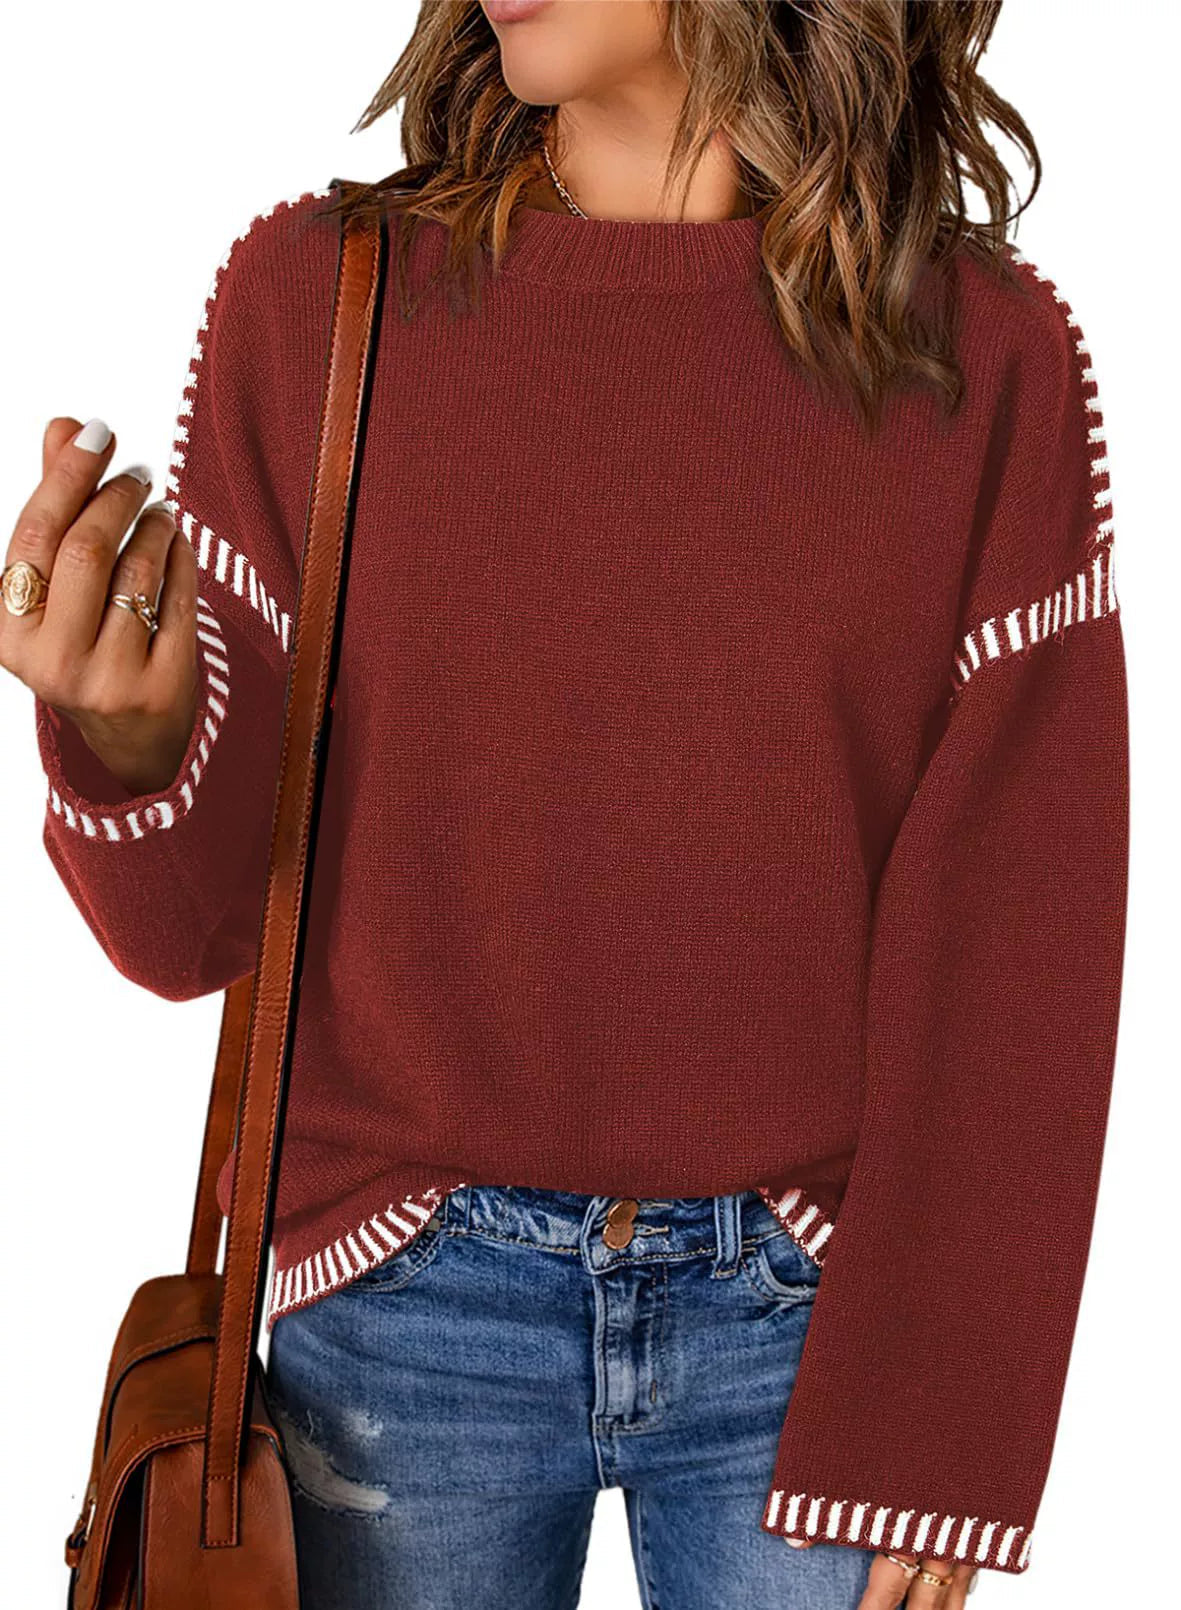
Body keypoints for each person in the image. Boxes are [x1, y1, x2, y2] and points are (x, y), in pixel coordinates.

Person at [1, 3, 1128, 1608]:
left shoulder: (983, 351)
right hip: (394, 1298)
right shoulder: (315, 301)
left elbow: (1021, 937)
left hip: (814, 1317)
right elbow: (187, 938)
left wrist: (946, 1427)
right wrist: (126, 734)